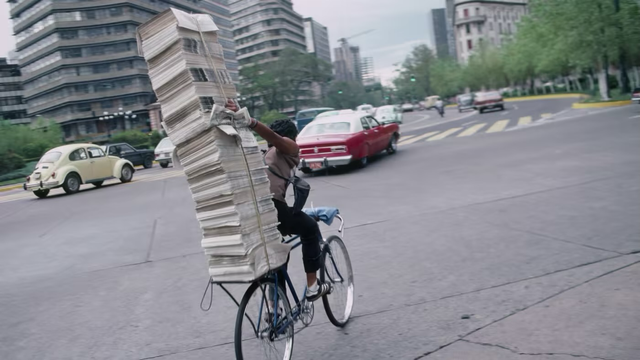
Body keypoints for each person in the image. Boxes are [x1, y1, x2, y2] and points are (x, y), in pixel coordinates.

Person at [225, 100, 331, 302]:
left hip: (255, 209)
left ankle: (276, 306)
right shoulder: (290, 147)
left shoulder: (266, 153)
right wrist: (246, 118)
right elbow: (273, 137)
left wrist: (240, 115)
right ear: (292, 136)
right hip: (273, 207)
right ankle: (313, 287)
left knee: (279, 252)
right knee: (309, 228)